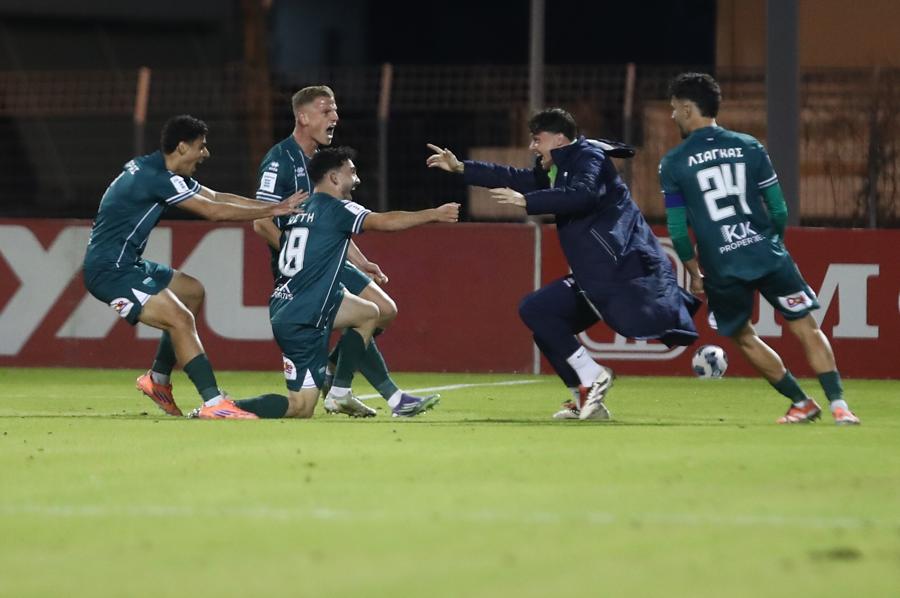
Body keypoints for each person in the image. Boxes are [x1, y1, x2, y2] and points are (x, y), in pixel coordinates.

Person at [427, 109, 700, 421]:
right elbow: (516, 178)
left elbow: (583, 195)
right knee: (544, 320)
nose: (532, 146)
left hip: (617, 270)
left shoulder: (589, 157)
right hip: (597, 273)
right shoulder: (560, 165)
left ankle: (593, 375)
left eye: (537, 139)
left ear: (559, 139)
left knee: (535, 310)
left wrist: (527, 201)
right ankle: (585, 399)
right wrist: (462, 168)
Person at [659, 72, 860, 425]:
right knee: (806, 326)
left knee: (743, 336)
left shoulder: (674, 163)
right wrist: (774, 242)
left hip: (722, 265)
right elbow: (779, 209)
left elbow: (677, 231)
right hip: (767, 253)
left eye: (675, 108)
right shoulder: (749, 146)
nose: (673, 115)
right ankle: (839, 405)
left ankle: (801, 402)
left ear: (689, 109)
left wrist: (694, 273)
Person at [82, 114, 306, 420]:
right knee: (179, 319)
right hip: (110, 271)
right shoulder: (156, 178)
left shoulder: (157, 168)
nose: (206, 153)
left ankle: (157, 380)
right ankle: (214, 403)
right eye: (201, 146)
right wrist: (272, 209)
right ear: (182, 147)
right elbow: (213, 211)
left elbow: (215, 196)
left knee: (191, 292)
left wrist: (273, 207)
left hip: (128, 263)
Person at [226, 146, 458, 419]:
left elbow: (326, 239)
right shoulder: (337, 208)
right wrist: (433, 214)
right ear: (334, 178)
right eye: (352, 172)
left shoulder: (301, 208)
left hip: (290, 304)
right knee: (300, 407)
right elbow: (383, 221)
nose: (357, 179)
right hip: (303, 317)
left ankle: (350, 393)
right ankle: (226, 407)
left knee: (369, 313)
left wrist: (360, 262)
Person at [252, 85, 438, 417]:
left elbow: (330, 224)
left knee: (385, 310)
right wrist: (301, 256)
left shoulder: (323, 163)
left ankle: (334, 374)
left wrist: (361, 261)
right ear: (303, 117)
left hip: (324, 259)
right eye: (326, 111)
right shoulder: (279, 160)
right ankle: (384, 395)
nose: (335, 117)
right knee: (369, 313)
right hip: (302, 269)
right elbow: (261, 222)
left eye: (335, 110)